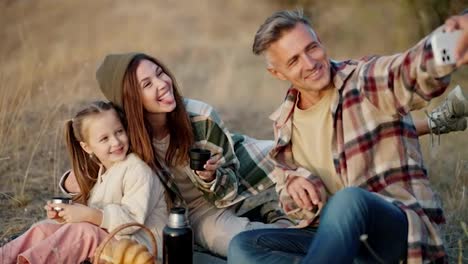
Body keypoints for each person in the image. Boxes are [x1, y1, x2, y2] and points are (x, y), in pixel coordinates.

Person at [227, 10, 468, 264]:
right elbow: (292, 202)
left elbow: (407, 71)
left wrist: (451, 44)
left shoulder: (362, 80)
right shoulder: (284, 122)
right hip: (336, 243)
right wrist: (295, 185)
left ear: (320, 41)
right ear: (277, 73)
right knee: (244, 247)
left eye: (312, 48)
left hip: (395, 232)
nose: (310, 63)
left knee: (349, 200)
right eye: (294, 61)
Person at [60, 53, 287, 257]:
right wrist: (71, 183)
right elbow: (99, 164)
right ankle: (279, 223)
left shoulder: (201, 118)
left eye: (160, 73)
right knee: (236, 241)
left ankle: (304, 218)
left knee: (299, 156)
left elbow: (229, 187)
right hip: (193, 213)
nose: (162, 84)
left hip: (228, 183)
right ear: (131, 99)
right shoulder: (123, 135)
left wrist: (210, 177)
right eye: (147, 84)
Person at [0, 101, 167, 263]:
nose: (116, 142)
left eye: (119, 131)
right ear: (87, 147)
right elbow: (98, 217)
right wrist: (66, 216)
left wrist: (88, 215)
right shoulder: (105, 172)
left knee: (84, 232)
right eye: (104, 139)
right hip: (112, 242)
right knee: (44, 228)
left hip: (139, 251)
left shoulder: (138, 169)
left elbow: (132, 221)